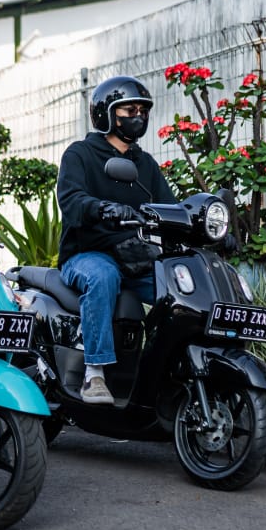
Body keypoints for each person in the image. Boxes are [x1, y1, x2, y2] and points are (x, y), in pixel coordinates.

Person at [56, 75, 177, 403]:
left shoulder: (144, 164)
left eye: (142, 109)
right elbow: (70, 201)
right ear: (106, 114)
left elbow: (169, 207)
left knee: (180, 288)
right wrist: (101, 208)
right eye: (127, 110)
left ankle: (168, 368)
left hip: (134, 258)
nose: (137, 115)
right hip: (87, 255)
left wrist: (209, 228)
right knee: (102, 276)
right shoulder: (80, 154)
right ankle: (94, 374)